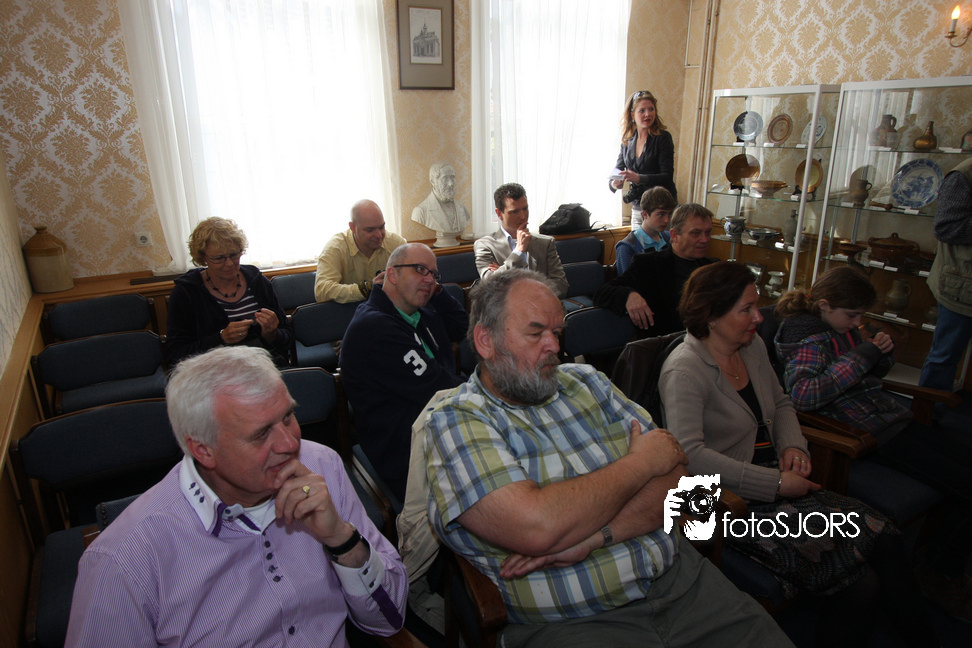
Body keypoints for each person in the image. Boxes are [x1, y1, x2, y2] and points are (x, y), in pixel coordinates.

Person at [421, 268, 793, 648]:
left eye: (557, 332)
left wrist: (595, 537)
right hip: (574, 624)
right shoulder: (457, 420)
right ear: (485, 341)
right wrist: (642, 464)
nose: (554, 346)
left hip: (683, 584)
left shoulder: (587, 382)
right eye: (536, 333)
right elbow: (538, 528)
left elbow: (683, 484)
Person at [659, 261, 936, 648]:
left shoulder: (751, 347)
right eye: (746, 309)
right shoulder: (684, 371)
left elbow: (782, 402)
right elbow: (690, 456)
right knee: (860, 585)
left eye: (757, 305)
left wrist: (792, 445)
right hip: (729, 504)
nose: (759, 317)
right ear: (711, 316)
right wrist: (774, 483)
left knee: (885, 538)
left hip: (776, 483)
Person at [65, 346, 408, 647]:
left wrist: (341, 540)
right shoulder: (124, 559)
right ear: (204, 450)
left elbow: (389, 619)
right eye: (260, 434)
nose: (290, 443)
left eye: (288, 416)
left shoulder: (321, 466)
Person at [775, 265, 972, 623]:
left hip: (889, 418)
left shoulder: (839, 327)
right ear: (824, 305)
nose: (857, 322)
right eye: (852, 315)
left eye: (861, 315)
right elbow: (804, 395)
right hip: (870, 434)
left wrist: (882, 354)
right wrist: (863, 355)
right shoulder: (808, 339)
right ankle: (938, 572)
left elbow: (865, 376)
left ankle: (938, 555)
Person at [340, 243, 467, 502]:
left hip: (438, 425)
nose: (429, 279)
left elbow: (461, 326)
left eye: (434, 274)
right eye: (420, 269)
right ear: (392, 274)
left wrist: (434, 289)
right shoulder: (374, 327)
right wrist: (486, 387)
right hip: (404, 451)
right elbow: (439, 388)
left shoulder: (419, 312)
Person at [165, 217, 292, 367]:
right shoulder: (186, 292)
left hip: (265, 368)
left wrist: (271, 334)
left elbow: (287, 337)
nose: (230, 263)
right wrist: (221, 339)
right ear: (203, 257)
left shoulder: (257, 282)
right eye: (219, 258)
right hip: (214, 373)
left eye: (234, 255)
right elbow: (175, 353)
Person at [594, 203, 716, 335]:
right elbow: (602, 293)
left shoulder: (714, 267)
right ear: (674, 235)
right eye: (696, 233)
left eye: (708, 233)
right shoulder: (648, 264)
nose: (705, 239)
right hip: (667, 341)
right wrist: (629, 295)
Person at [921, 157, 972, 393]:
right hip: (961, 284)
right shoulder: (963, 176)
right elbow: (946, 227)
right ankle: (928, 412)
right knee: (944, 357)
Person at [474, 183, 569, 298]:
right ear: (499, 213)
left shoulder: (546, 243)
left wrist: (503, 274)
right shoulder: (485, 245)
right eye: (514, 211)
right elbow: (490, 287)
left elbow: (561, 287)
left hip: (544, 307)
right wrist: (518, 251)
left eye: (525, 208)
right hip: (509, 309)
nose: (523, 216)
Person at [315, 199, 407, 303]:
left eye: (382, 227)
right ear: (352, 227)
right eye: (370, 230)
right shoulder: (335, 248)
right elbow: (321, 291)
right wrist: (366, 289)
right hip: (349, 311)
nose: (379, 235)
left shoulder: (397, 244)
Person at [609, 90, 677, 230]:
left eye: (651, 109)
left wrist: (639, 178)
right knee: (638, 243)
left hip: (661, 208)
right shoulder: (628, 140)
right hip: (638, 207)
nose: (648, 114)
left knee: (659, 244)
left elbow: (667, 176)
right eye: (642, 111)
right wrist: (614, 183)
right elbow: (618, 169)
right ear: (632, 115)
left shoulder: (663, 138)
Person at [614, 186, 676, 274]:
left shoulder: (669, 238)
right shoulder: (627, 247)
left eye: (669, 214)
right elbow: (626, 281)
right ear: (645, 214)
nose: (667, 220)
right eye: (661, 214)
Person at [411, 162, 471, 248]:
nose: (451, 183)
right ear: (433, 181)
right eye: (445, 178)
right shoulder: (421, 211)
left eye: (452, 177)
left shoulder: (462, 208)